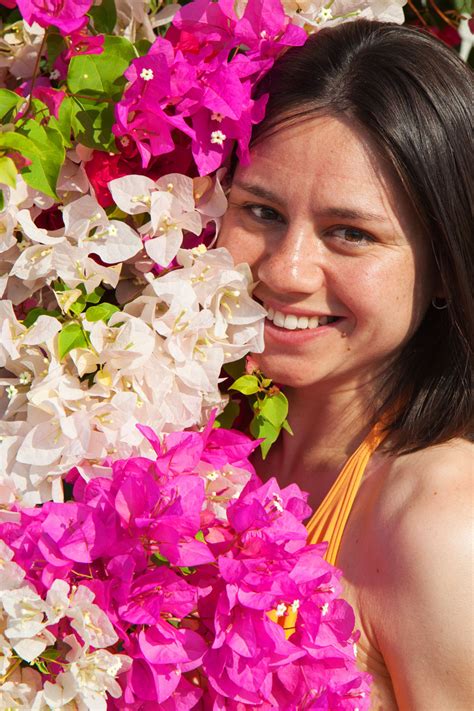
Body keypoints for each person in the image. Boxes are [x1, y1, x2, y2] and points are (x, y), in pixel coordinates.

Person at [218, 20, 473, 710]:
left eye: (350, 233)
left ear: (445, 266)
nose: (286, 270)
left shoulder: (439, 520)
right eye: (261, 211)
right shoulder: (177, 435)